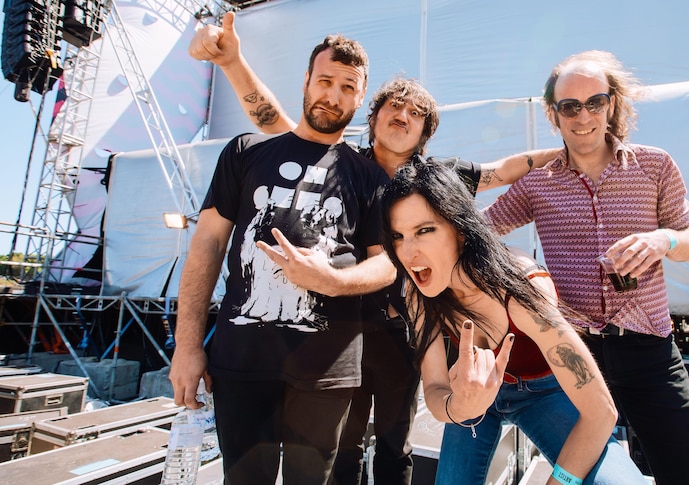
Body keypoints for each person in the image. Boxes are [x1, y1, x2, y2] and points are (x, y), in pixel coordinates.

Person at [189, 12, 558, 485]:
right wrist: (233, 63)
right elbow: (273, 120)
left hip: (402, 330)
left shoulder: (437, 179)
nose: (402, 117)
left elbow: (504, 170)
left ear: (426, 132)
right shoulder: (342, 164)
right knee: (340, 447)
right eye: (393, 106)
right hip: (341, 327)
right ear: (373, 112)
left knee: (394, 442)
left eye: (415, 113)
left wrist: (567, 150)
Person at [169, 33, 396, 485]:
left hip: (326, 368)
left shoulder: (369, 175)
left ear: (360, 97)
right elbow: (207, 247)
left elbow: (389, 263)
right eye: (325, 80)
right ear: (307, 80)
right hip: (240, 360)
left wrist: (334, 280)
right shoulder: (246, 152)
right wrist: (188, 346)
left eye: (348, 87)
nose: (333, 96)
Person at [483, 50, 689, 484]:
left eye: (595, 102)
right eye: (570, 106)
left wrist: (661, 239)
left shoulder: (655, 164)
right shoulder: (538, 183)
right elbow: (481, 231)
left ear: (611, 104)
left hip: (649, 349)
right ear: (554, 115)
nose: (583, 115)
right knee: (593, 479)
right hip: (575, 356)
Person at [356, 157, 644, 485]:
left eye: (424, 230)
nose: (408, 252)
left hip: (544, 393)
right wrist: (460, 405)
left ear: (459, 228)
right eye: (397, 236)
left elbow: (602, 412)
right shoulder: (419, 294)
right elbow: (436, 390)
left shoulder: (522, 290)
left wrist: (559, 481)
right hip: (471, 403)